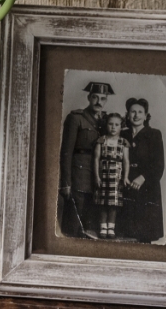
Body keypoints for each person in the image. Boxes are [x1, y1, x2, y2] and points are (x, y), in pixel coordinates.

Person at [58, 81, 111, 238]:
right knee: (75, 226)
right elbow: (66, 152)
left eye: (103, 98)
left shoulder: (106, 121)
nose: (99, 102)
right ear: (89, 97)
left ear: (106, 100)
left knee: (93, 224)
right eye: (95, 97)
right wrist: (65, 182)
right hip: (79, 175)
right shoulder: (76, 118)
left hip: (99, 175)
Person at [120, 98, 165, 243]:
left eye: (140, 112)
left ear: (146, 116)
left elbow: (159, 165)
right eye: (133, 112)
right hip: (126, 185)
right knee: (125, 235)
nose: (136, 115)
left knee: (144, 236)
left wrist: (142, 177)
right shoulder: (122, 135)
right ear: (127, 115)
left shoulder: (154, 134)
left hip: (147, 189)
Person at [93, 113, 130, 239]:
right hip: (103, 176)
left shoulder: (123, 142)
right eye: (110, 124)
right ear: (106, 125)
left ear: (121, 126)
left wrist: (125, 177)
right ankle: (103, 227)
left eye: (117, 124)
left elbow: (126, 161)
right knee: (103, 202)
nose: (113, 127)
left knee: (113, 203)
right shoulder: (101, 140)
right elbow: (96, 159)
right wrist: (97, 176)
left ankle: (111, 228)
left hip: (116, 177)